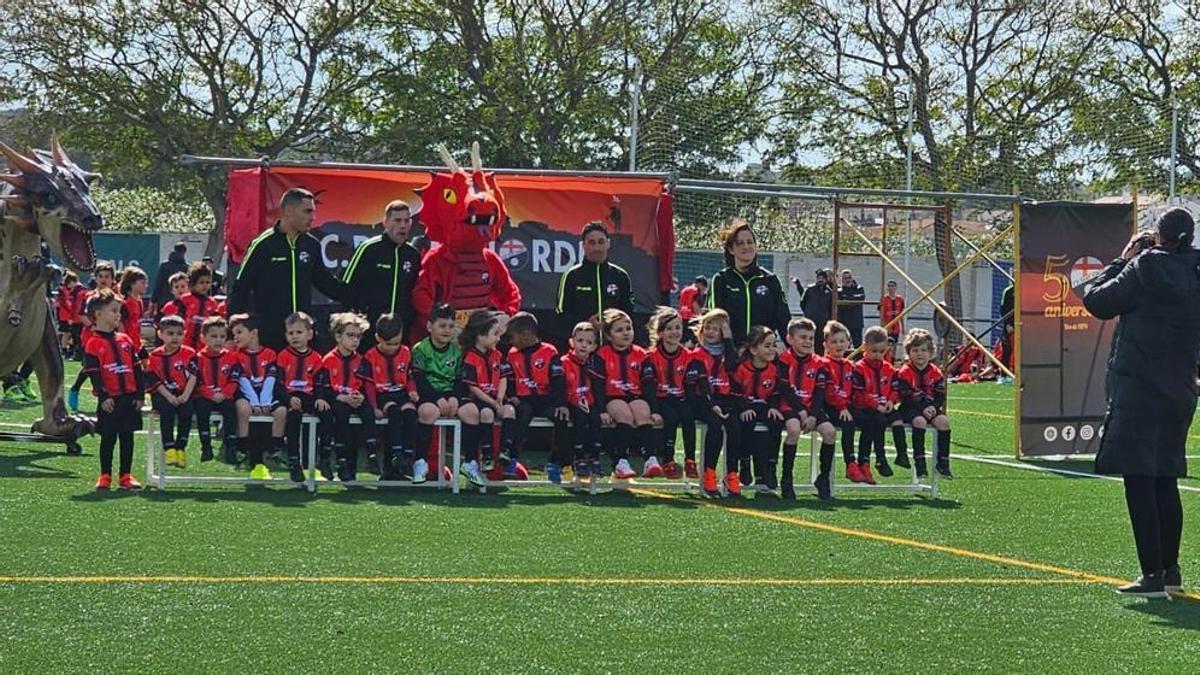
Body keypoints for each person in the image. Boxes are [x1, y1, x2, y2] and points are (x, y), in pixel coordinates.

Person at [1082, 207, 1200, 597]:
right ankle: (1171, 571)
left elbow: (1096, 300)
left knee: (1139, 479)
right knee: (1166, 478)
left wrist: (1124, 257)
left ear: (1159, 237)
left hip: (1138, 388)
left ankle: (1150, 575)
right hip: (1180, 389)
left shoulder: (1145, 266)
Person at [229, 188, 350, 351]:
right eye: (307, 211)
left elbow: (325, 283)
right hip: (269, 336)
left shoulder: (311, 245)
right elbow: (240, 289)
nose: (312, 217)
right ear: (288, 211)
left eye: (313, 212)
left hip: (302, 336)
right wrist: (231, 334)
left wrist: (357, 294)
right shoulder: (263, 245)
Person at [82, 289, 144, 491]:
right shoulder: (93, 343)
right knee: (108, 437)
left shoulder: (125, 340)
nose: (118, 315)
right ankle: (105, 475)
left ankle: (126, 475)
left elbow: (136, 369)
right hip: (110, 400)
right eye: (114, 311)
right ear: (98, 314)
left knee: (128, 437)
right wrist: (103, 395)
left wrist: (140, 394)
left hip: (129, 398)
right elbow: (94, 373)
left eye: (119, 311)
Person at [344, 200, 422, 347]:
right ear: (385, 222)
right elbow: (347, 289)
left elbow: (415, 293)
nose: (402, 225)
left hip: (400, 335)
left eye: (406, 221)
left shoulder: (413, 255)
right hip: (369, 333)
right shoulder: (369, 248)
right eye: (397, 220)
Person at [501, 312, 568, 481]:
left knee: (561, 417)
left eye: (512, 336)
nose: (511, 341)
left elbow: (558, 379)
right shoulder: (512, 354)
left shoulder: (549, 351)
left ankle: (555, 462)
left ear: (526, 335)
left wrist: (561, 403)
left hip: (545, 400)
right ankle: (512, 458)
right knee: (521, 415)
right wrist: (512, 396)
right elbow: (508, 379)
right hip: (524, 399)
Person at [779, 317, 837, 500]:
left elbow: (820, 391)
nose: (807, 342)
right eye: (802, 337)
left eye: (811, 338)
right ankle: (787, 479)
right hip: (789, 405)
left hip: (812, 407)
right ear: (790, 339)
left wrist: (812, 414)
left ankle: (823, 478)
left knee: (829, 432)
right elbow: (784, 388)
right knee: (794, 430)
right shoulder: (783, 359)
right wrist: (801, 410)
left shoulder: (819, 363)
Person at [457, 310, 515, 487]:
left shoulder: (497, 354)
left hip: (495, 398)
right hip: (479, 399)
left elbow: (504, 376)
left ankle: (506, 452)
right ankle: (486, 456)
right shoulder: (470, 356)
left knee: (510, 410)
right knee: (487, 414)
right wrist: (492, 402)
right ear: (480, 336)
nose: (498, 338)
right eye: (495, 334)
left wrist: (499, 398)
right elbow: (472, 387)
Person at [709, 221, 790, 346]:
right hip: (731, 353)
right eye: (740, 243)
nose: (746, 246)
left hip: (762, 355)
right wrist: (730, 350)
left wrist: (794, 356)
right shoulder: (721, 279)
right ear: (731, 249)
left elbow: (783, 320)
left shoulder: (770, 279)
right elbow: (716, 320)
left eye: (750, 242)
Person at [273, 312, 333, 482]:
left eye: (299, 332)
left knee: (327, 413)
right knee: (294, 417)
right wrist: (288, 398)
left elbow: (320, 383)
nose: (294, 336)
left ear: (309, 334)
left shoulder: (316, 358)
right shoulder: (283, 356)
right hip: (290, 396)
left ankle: (325, 458)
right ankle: (294, 463)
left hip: (309, 396)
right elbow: (278, 384)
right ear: (286, 335)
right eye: (291, 333)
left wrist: (320, 398)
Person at [409, 303, 464, 484]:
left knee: (472, 413)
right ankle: (420, 461)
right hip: (429, 395)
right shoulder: (420, 349)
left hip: (450, 395)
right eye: (442, 326)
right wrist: (438, 398)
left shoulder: (457, 351)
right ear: (429, 326)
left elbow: (458, 379)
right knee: (428, 412)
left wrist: (455, 397)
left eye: (450, 326)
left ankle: (471, 462)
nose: (447, 331)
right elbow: (420, 380)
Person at [641, 307, 698, 480]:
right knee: (671, 417)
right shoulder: (650, 356)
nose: (675, 332)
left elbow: (689, 385)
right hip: (660, 399)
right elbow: (649, 387)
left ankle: (690, 460)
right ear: (660, 333)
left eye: (678, 327)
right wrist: (654, 409)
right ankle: (668, 459)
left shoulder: (688, 356)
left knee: (688, 415)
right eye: (669, 328)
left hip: (678, 397)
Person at [320, 313, 376, 483]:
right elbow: (324, 388)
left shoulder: (361, 360)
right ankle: (340, 459)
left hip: (354, 399)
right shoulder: (328, 360)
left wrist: (361, 397)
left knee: (368, 412)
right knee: (341, 413)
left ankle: (371, 454)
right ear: (338, 336)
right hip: (337, 401)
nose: (355, 341)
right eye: (350, 335)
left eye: (358, 336)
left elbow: (366, 384)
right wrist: (340, 397)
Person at [595, 308, 651, 480]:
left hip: (634, 396)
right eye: (619, 330)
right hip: (613, 397)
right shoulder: (602, 354)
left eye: (628, 328)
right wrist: (601, 410)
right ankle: (621, 461)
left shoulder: (641, 354)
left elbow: (648, 385)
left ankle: (650, 458)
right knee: (624, 415)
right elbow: (597, 386)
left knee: (643, 414)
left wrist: (654, 410)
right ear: (609, 336)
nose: (626, 333)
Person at [690, 308, 741, 496]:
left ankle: (731, 473)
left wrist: (728, 340)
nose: (711, 332)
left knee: (735, 427)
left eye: (716, 329)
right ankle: (709, 471)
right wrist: (712, 405)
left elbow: (732, 366)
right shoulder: (696, 354)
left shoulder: (728, 352)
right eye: (708, 327)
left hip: (724, 399)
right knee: (715, 425)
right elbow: (701, 385)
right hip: (703, 400)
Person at [730, 325, 787, 493]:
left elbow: (775, 391)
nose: (772, 350)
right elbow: (735, 391)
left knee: (776, 422)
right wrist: (744, 408)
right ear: (754, 350)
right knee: (747, 422)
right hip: (745, 405)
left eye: (773, 345)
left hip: (763, 405)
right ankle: (745, 461)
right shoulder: (742, 368)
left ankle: (771, 465)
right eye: (767, 346)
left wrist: (773, 407)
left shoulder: (774, 369)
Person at [555, 221, 635, 340]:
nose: (597, 247)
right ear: (583, 245)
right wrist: (588, 325)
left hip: (613, 347)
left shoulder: (620, 275)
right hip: (583, 348)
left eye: (601, 242)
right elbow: (561, 312)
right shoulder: (572, 275)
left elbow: (628, 311)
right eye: (592, 242)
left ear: (608, 244)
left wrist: (609, 326)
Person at [364, 313, 418, 481]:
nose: (393, 347)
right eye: (388, 344)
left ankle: (407, 456)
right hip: (383, 395)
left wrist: (412, 391)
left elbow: (409, 376)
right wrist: (374, 407)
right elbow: (369, 384)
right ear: (377, 338)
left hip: (401, 392)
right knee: (394, 412)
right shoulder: (370, 356)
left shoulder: (406, 352)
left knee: (410, 413)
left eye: (397, 343)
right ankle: (395, 453)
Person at [894, 328, 951, 478]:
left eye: (924, 350)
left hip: (930, 407)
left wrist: (933, 406)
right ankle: (920, 463)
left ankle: (943, 462)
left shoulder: (935, 372)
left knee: (944, 422)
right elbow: (905, 396)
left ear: (931, 353)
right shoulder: (904, 372)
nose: (919, 354)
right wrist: (923, 408)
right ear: (908, 353)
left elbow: (940, 395)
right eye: (915, 350)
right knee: (919, 422)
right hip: (910, 408)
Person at [229, 313, 283, 470]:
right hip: (246, 395)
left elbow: (270, 379)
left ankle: (276, 447)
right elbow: (243, 381)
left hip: (266, 396)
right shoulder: (236, 356)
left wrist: (264, 401)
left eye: (239, 332)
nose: (235, 338)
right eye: (233, 334)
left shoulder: (271, 354)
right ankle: (242, 446)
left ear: (254, 333)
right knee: (243, 408)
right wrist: (254, 401)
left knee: (281, 412)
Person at [850, 326, 902, 484]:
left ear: (887, 348)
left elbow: (895, 388)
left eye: (881, 351)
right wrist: (875, 404)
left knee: (893, 419)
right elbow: (859, 394)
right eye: (874, 351)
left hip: (883, 407)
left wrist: (891, 401)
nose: (878, 355)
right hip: (864, 407)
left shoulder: (889, 369)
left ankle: (900, 455)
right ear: (865, 347)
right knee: (875, 421)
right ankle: (871, 460)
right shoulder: (858, 368)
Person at [147, 315, 198, 469]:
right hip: (163, 394)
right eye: (170, 333)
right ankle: (169, 447)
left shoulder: (190, 353)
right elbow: (155, 381)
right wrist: (169, 396)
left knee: (187, 410)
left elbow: (193, 377)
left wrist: (184, 396)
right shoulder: (155, 356)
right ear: (160, 334)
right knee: (167, 410)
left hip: (184, 393)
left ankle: (181, 447)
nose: (175, 337)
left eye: (179, 333)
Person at [68, 261, 118, 412]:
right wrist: (93, 326)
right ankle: (75, 389)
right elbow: (82, 315)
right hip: (91, 338)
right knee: (90, 367)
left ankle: (113, 396)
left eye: (107, 276)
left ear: (112, 279)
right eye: (100, 276)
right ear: (95, 278)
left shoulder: (116, 298)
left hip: (110, 339)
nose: (104, 279)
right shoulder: (89, 296)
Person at [560, 321, 606, 479]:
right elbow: (561, 387)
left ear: (594, 346)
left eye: (589, 342)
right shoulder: (564, 362)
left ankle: (594, 456)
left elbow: (599, 388)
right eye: (580, 341)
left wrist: (602, 409)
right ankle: (578, 457)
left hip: (589, 402)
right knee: (579, 418)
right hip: (572, 403)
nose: (584, 345)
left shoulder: (594, 363)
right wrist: (568, 402)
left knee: (595, 418)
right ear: (572, 342)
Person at [193, 316, 239, 464]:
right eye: (213, 336)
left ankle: (231, 447)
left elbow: (234, 379)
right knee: (201, 407)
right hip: (205, 396)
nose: (218, 340)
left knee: (231, 409)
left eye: (222, 336)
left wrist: (224, 394)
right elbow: (196, 381)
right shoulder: (197, 358)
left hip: (224, 397)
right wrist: (210, 394)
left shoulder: (232, 357)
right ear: (203, 338)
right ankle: (206, 445)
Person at [822, 321, 858, 484]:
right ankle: (850, 463)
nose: (838, 345)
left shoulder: (850, 365)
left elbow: (854, 390)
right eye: (834, 342)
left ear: (848, 343)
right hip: (830, 406)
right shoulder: (823, 365)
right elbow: (828, 392)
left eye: (842, 341)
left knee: (871, 420)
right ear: (826, 345)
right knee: (847, 423)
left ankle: (864, 462)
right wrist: (842, 407)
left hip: (846, 406)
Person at [161, 262, 219, 351]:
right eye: (201, 282)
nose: (205, 285)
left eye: (208, 282)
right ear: (192, 283)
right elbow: (177, 321)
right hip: (185, 344)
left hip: (204, 347)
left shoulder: (212, 303)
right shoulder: (185, 299)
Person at [795, 269, 834, 355]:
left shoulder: (829, 292)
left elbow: (831, 307)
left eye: (822, 278)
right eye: (819, 278)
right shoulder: (810, 289)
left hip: (822, 322)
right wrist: (808, 312)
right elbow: (802, 302)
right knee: (806, 339)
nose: (820, 280)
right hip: (810, 320)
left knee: (819, 343)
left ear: (826, 279)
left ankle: (818, 359)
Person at [118, 266, 149, 353]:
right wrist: (123, 342)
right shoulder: (125, 303)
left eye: (146, 283)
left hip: (137, 343)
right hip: (128, 344)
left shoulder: (139, 301)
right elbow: (121, 325)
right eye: (143, 283)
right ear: (132, 284)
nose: (146, 286)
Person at [151, 241, 189, 309]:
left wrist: (153, 300)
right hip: (182, 301)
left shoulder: (164, 265)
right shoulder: (187, 267)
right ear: (185, 251)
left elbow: (158, 283)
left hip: (163, 301)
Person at [837, 269, 866, 348]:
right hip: (843, 323)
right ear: (842, 279)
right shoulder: (838, 291)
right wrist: (853, 300)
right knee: (844, 346)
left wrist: (847, 300)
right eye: (845, 278)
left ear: (852, 278)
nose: (847, 280)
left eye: (849, 278)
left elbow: (861, 298)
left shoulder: (859, 288)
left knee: (858, 347)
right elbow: (842, 306)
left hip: (856, 323)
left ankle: (857, 360)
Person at [879, 279, 905, 346]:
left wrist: (903, 328)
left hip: (896, 328)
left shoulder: (900, 299)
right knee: (886, 344)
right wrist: (885, 327)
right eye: (889, 286)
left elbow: (901, 315)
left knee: (895, 344)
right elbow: (881, 316)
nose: (891, 288)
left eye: (892, 286)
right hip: (887, 327)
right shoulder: (884, 299)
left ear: (896, 287)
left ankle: (893, 356)